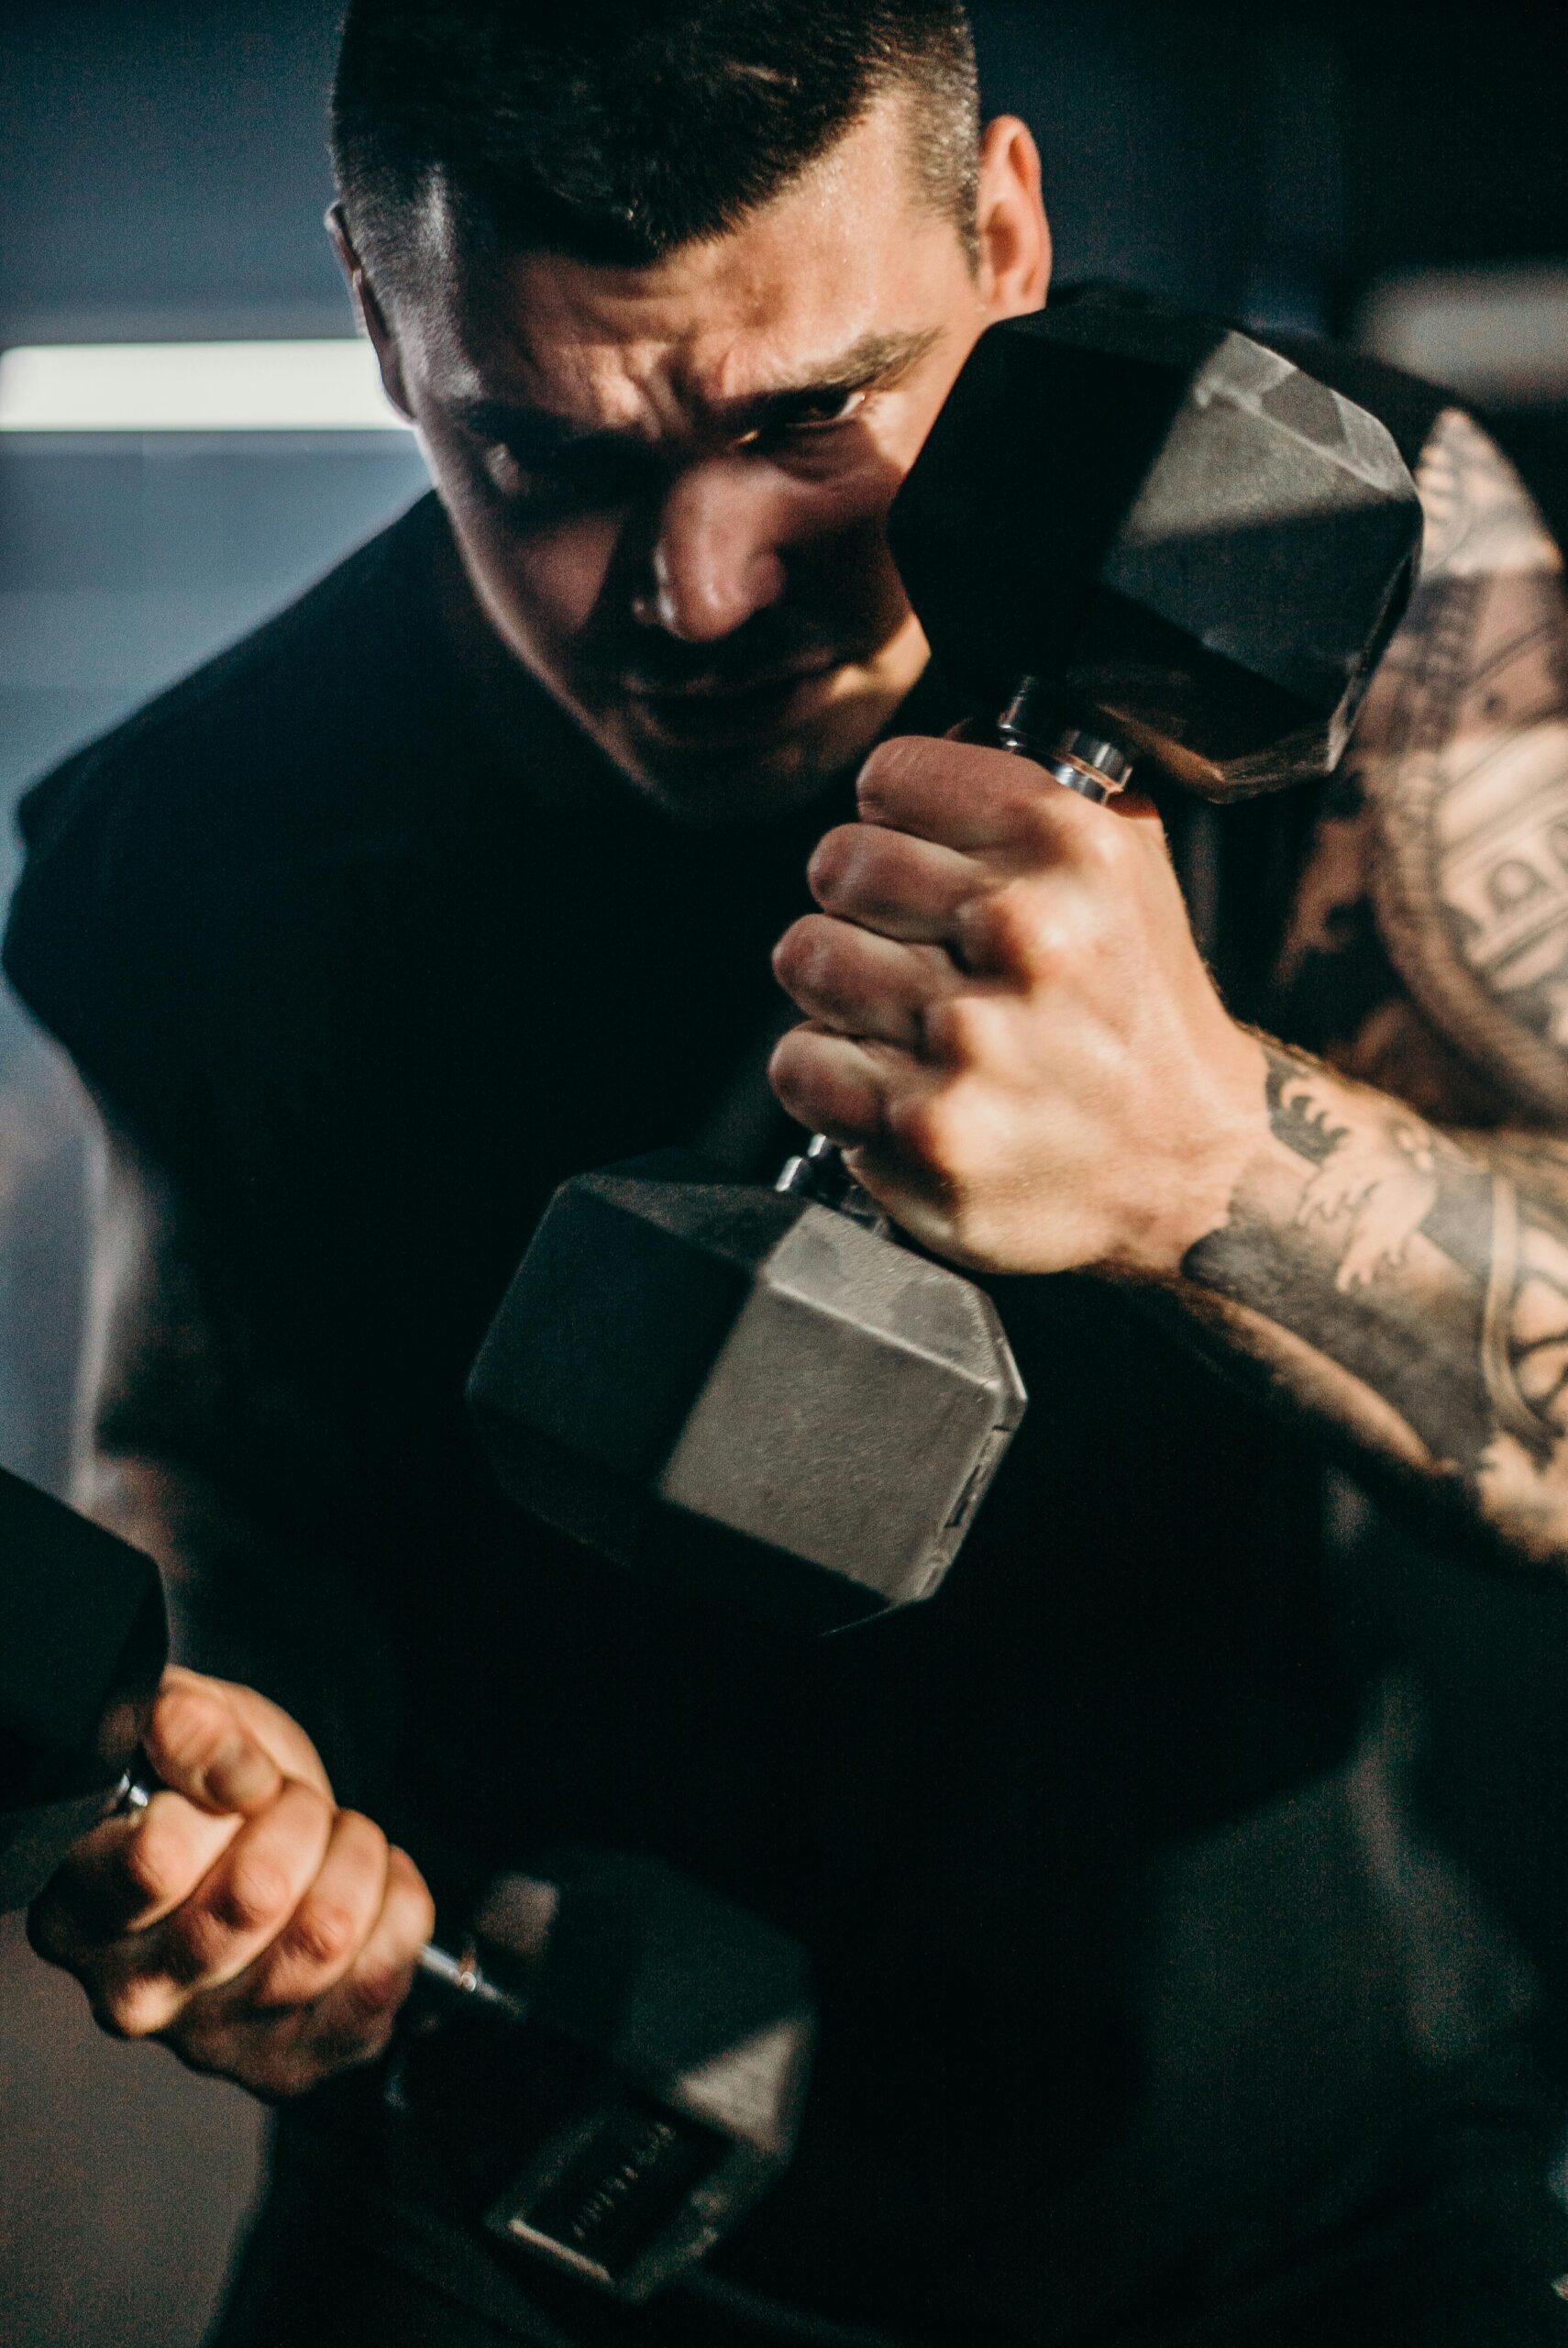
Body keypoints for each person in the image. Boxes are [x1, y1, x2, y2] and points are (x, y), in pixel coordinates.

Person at [9, 3, 1568, 2341]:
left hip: (1278, 2153)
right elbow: (208, 1446)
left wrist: (1204, 1155)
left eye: (809, 418)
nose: (702, 595)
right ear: (378, 317)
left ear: (1008, 238)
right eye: (538, 452)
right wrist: (249, 1812)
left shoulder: (1337, 550)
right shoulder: (193, 842)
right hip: (530, 2156)